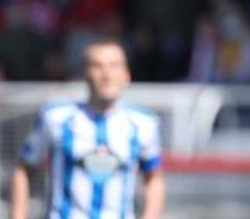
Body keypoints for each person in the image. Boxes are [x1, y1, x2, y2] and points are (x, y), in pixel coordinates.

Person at [10, 39, 164, 219]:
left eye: (114, 66)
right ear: (85, 73)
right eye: (98, 66)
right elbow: (24, 169)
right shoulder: (55, 117)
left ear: (126, 74)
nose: (106, 74)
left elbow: (154, 177)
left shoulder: (144, 123)